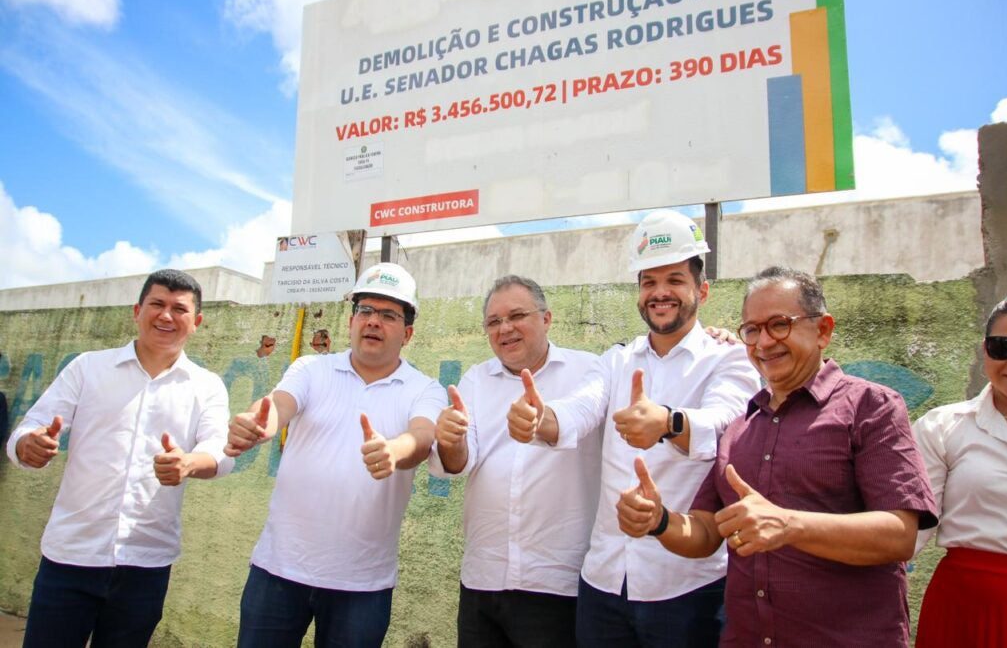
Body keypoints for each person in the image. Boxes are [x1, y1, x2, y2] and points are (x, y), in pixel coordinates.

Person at [618, 266, 938, 647]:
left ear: (823, 331)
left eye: (779, 325)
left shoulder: (871, 407)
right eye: (751, 330)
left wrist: (789, 525)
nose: (764, 342)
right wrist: (659, 521)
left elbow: (900, 535)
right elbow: (705, 532)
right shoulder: (740, 428)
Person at [507, 209, 760, 647]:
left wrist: (668, 422)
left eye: (674, 280)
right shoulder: (617, 361)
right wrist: (539, 419)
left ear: (702, 290)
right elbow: (581, 408)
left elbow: (726, 424)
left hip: (687, 587)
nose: (660, 293)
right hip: (604, 584)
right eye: (649, 282)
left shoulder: (730, 359)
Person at [5, 269, 232, 647]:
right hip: (71, 556)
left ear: (197, 322)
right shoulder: (87, 368)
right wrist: (29, 445)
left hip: (146, 561)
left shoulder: (206, 386)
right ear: (137, 310)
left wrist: (188, 463)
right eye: (157, 304)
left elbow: (220, 453)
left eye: (179, 309)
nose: (166, 316)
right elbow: (30, 428)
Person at [226, 262, 447, 647]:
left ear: (407, 333)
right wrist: (259, 423)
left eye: (388, 315)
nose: (373, 321)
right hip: (278, 571)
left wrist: (393, 451)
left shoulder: (424, 389)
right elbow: (279, 404)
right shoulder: (312, 369)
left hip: (362, 585)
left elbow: (423, 437)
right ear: (350, 321)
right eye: (364, 310)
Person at [429, 275, 602, 647]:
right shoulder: (475, 380)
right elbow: (459, 462)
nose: (504, 328)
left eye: (517, 315)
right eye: (493, 321)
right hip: (482, 579)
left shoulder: (590, 370)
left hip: (557, 582)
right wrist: (451, 439)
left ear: (547, 318)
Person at [912, 290, 1007, 647]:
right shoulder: (943, 427)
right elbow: (906, 533)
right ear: (984, 348)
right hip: (968, 611)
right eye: (1003, 346)